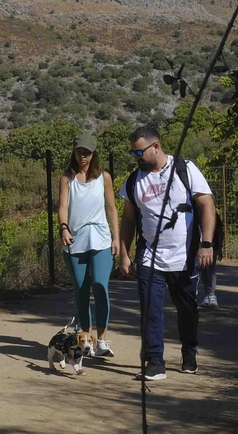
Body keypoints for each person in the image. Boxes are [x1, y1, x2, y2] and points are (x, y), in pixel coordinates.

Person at [117, 125, 218, 381]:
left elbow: (207, 204)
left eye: (139, 153)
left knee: (187, 309)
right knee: (150, 309)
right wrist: (125, 254)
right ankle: (155, 362)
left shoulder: (185, 169)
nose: (136, 158)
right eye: (133, 155)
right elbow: (128, 219)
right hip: (150, 256)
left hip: (185, 257)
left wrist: (207, 243)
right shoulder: (134, 182)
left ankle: (189, 350)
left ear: (156, 147)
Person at [58, 132, 121, 359]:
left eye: (87, 152)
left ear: (94, 153)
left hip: (101, 239)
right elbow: (63, 206)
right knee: (81, 291)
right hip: (76, 241)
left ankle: (102, 340)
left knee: (100, 286)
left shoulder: (104, 177)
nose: (82, 156)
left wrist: (116, 238)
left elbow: (112, 209)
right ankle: (85, 341)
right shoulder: (67, 179)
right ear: (74, 153)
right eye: (79, 152)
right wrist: (64, 227)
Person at [197, 214, 226, 308]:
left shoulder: (212, 214)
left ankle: (211, 295)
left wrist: (219, 249)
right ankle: (193, 296)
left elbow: (219, 231)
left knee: (209, 270)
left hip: (209, 246)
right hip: (192, 246)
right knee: (197, 272)